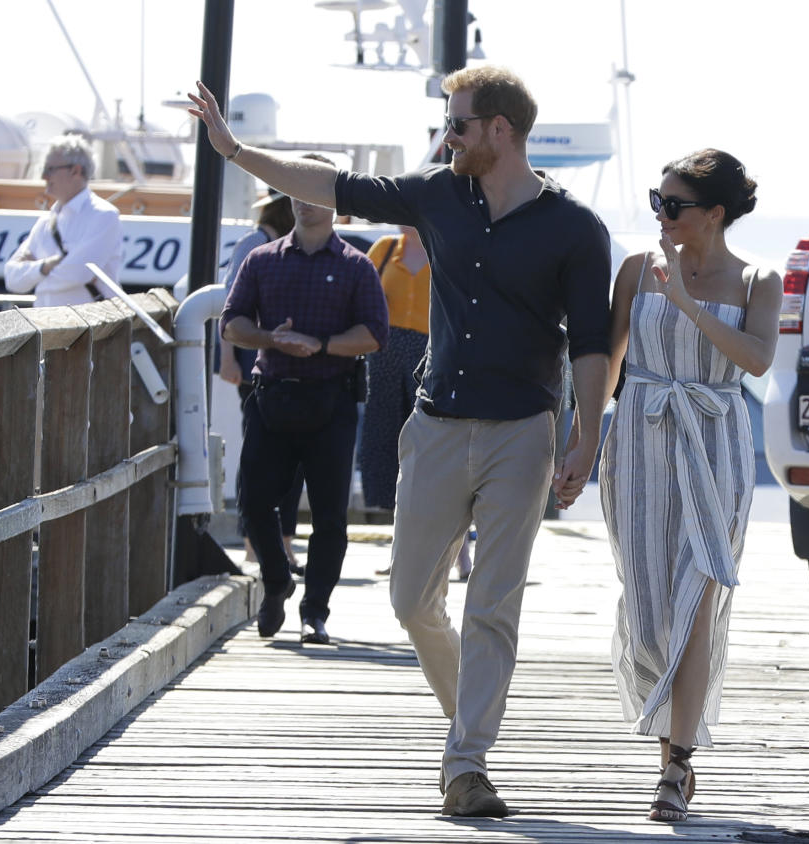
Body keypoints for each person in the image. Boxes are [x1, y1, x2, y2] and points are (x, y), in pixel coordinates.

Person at [190, 64, 612, 817]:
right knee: (412, 600)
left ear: (499, 132)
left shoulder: (575, 229)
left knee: (493, 604)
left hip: (523, 431)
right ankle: (467, 725)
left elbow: (589, 344)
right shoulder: (434, 192)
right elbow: (328, 182)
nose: (444, 137)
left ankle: (467, 763)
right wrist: (234, 150)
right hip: (438, 425)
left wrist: (587, 435)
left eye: (457, 124)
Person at [596, 150, 779, 823]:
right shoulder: (635, 269)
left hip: (715, 442)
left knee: (695, 600)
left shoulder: (759, 278)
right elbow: (610, 359)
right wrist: (582, 442)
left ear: (714, 214)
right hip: (639, 440)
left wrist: (686, 304)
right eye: (657, 201)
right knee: (648, 611)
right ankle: (669, 736)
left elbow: (757, 359)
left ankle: (675, 768)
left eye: (675, 205)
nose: (661, 214)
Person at [220, 153, 388, 647]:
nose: (303, 202)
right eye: (296, 190)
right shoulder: (262, 260)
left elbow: (374, 334)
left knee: (331, 515)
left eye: (315, 192)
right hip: (271, 397)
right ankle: (276, 582)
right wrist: (273, 339)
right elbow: (233, 323)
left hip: (331, 403)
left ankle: (315, 612)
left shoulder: (356, 267)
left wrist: (322, 344)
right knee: (253, 503)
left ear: (336, 202)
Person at [361, 226, 470, 581]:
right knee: (393, 453)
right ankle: (400, 553)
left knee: (438, 453)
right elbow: (362, 296)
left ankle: (460, 553)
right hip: (385, 356)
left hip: (433, 355)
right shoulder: (385, 247)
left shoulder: (447, 245)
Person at [218, 187, 304, 573]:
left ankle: (282, 541)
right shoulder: (253, 243)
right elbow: (229, 305)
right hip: (253, 364)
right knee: (258, 456)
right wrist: (226, 358)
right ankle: (254, 541)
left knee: (289, 459)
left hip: (282, 366)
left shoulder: (291, 245)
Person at [3, 135, 123, 307]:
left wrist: (35, 274)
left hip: (92, 330)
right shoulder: (45, 222)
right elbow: (12, 279)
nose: (44, 176)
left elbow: (78, 273)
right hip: (47, 327)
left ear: (75, 171)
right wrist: (46, 266)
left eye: (50, 169)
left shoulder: (104, 216)